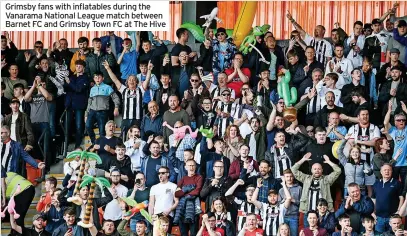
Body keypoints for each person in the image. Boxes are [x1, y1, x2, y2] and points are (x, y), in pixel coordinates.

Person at [292, 153, 341, 226]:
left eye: (319, 169)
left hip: (322, 213)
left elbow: (338, 170)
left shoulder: (326, 179)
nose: (317, 170)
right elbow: (293, 169)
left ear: (322, 170)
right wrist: (303, 159)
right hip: (308, 212)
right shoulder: (306, 178)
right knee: (308, 233)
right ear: (311, 170)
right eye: (315, 169)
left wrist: (329, 162)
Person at [104, 61, 145, 136]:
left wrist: (149, 70)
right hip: (126, 119)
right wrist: (108, 69)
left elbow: (147, 81)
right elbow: (115, 80)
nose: (131, 81)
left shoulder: (140, 90)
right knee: (122, 138)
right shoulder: (124, 90)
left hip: (137, 119)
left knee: (138, 138)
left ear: (136, 82)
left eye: (133, 80)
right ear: (127, 82)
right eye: (130, 80)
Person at [85, 72, 120, 144]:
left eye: (99, 77)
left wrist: (116, 107)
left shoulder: (107, 87)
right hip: (92, 111)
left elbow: (116, 98)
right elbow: (89, 102)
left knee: (102, 131)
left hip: (103, 112)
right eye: (95, 77)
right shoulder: (92, 89)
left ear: (103, 78)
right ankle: (94, 143)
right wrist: (86, 114)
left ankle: (101, 147)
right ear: (94, 79)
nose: (97, 79)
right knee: (88, 126)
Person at [371, 164, 404, 233]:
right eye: (385, 170)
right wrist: (373, 212)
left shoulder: (397, 183)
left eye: (389, 170)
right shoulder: (376, 183)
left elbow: (401, 198)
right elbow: (373, 199)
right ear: (381, 172)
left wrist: (398, 211)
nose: (387, 172)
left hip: (392, 218)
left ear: (392, 171)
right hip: (378, 218)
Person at [63, 59, 88, 148]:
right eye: (77, 66)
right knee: (67, 126)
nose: (78, 68)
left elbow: (79, 89)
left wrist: (70, 83)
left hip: (79, 105)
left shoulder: (85, 78)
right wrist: (69, 83)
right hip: (69, 105)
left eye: (80, 66)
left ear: (83, 68)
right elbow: (65, 87)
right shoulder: (72, 77)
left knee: (78, 126)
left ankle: (77, 146)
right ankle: (66, 145)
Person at [174, 159, 203, 236]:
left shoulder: (199, 177)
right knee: (183, 234)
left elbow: (197, 191)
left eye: (193, 165)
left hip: (193, 210)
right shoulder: (182, 179)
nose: (191, 167)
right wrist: (187, 189)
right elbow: (177, 194)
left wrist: (183, 192)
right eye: (189, 165)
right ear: (185, 167)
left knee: (194, 233)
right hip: (182, 210)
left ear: (196, 167)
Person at [383, 101, 407, 189]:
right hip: (395, 162)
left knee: (405, 186)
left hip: (405, 163)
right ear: (395, 122)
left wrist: (406, 110)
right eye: (399, 120)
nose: (401, 121)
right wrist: (389, 110)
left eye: (403, 120)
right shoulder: (393, 130)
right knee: (395, 185)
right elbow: (385, 123)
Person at [278, 169, 302, 236]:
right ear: (284, 178)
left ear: (293, 177)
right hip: (284, 216)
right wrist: (285, 200)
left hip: (294, 216)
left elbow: (302, 203)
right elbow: (278, 203)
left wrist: (293, 200)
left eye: (291, 176)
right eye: (287, 177)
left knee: (294, 234)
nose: (289, 178)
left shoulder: (299, 188)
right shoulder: (281, 190)